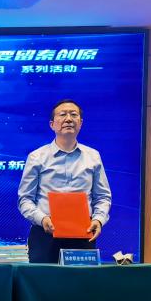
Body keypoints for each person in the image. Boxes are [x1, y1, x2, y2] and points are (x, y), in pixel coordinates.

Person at [17, 99, 112, 264]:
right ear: (52, 124)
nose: (68, 119)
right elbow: (25, 199)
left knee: (82, 280)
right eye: (62, 115)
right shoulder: (37, 157)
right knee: (42, 280)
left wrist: (98, 220)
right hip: (45, 234)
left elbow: (103, 196)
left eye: (73, 115)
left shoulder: (93, 156)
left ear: (80, 123)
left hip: (83, 234)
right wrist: (42, 219)